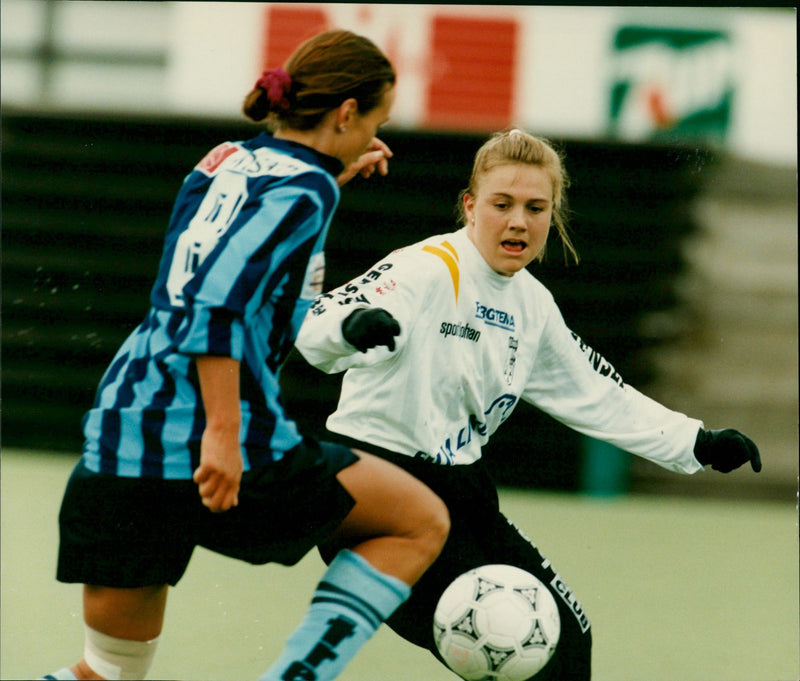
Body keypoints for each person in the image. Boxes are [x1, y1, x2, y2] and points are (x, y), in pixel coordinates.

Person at [41, 29, 450, 681]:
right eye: (377, 117)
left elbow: (218, 259)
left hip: (123, 434)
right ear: (347, 114)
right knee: (418, 520)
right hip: (221, 440)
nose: (376, 130)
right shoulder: (307, 190)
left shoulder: (225, 158)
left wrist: (333, 174)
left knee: (108, 672)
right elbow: (215, 301)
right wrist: (223, 436)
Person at [294, 128, 762, 680]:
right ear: (470, 207)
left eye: (535, 207)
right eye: (503, 204)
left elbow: (596, 391)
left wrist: (697, 441)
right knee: (512, 655)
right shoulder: (426, 268)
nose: (519, 220)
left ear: (551, 214)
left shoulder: (533, 304)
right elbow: (315, 322)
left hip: (462, 496)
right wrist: (353, 326)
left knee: (568, 641)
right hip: (376, 488)